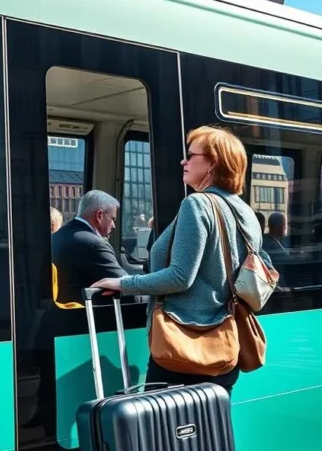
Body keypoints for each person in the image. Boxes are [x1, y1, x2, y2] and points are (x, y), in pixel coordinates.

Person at [91, 126, 268, 395]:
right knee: (210, 432)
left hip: (183, 349)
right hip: (224, 347)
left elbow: (180, 277)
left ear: (212, 164)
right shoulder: (245, 212)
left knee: (163, 433)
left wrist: (124, 284)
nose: (183, 161)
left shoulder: (197, 205)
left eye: (191, 155)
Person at [51, 190, 126, 305]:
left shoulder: (56, 236)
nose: (113, 225)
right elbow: (127, 285)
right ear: (99, 215)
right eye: (113, 219)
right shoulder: (94, 244)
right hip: (89, 317)